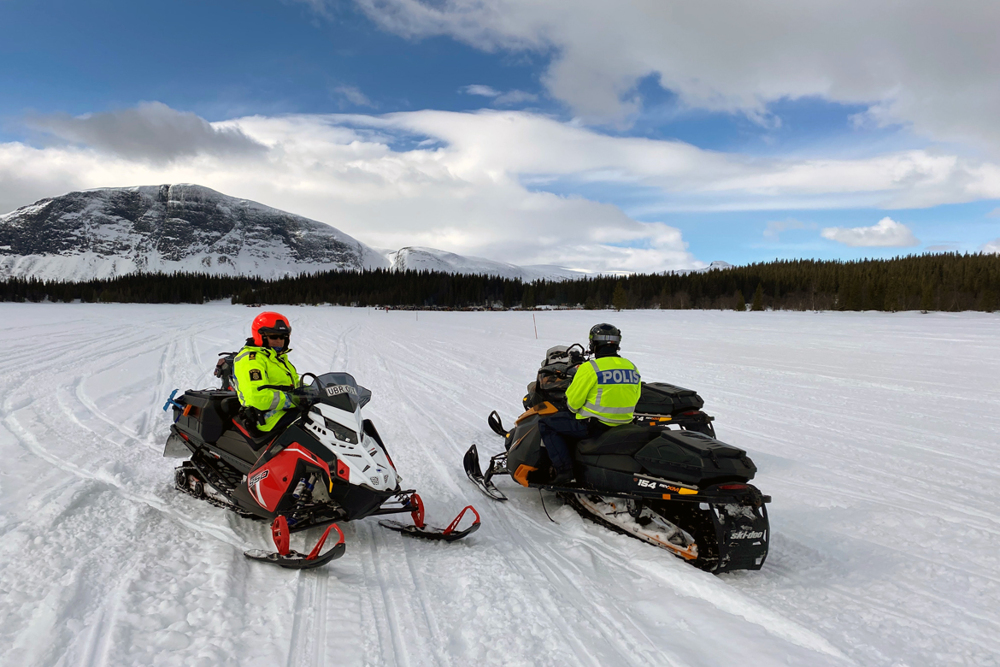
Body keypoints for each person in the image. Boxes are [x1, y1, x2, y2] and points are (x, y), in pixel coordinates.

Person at [538, 323, 642, 484]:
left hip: (596, 426)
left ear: (594, 344)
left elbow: (573, 404)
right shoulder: (631, 367)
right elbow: (636, 396)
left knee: (546, 424)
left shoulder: (590, 368)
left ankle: (564, 470)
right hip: (625, 424)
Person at [232, 311, 300, 433]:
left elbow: (296, 384)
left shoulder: (277, 358)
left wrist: (316, 391)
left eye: (283, 337)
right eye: (273, 336)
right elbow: (257, 397)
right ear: (260, 336)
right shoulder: (251, 360)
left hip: (285, 411)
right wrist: (295, 399)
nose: (279, 341)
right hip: (265, 419)